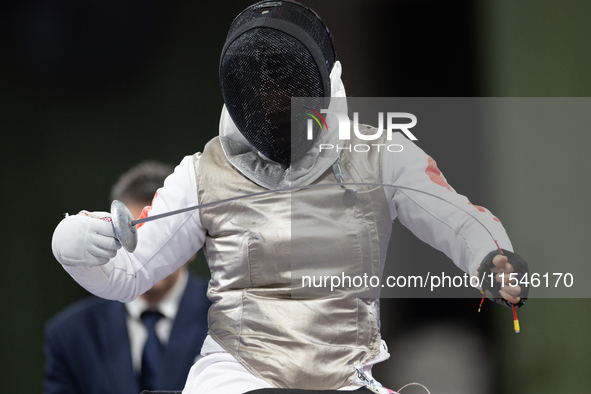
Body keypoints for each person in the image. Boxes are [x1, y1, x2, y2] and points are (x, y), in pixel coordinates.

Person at [51, 2, 528, 393]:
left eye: (285, 88)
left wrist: (493, 256)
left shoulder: (378, 156)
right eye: (259, 91)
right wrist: (76, 246)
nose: (273, 102)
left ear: (324, 82)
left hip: (343, 378)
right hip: (238, 377)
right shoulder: (204, 174)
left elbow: (455, 217)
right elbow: (131, 273)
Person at [44, 161, 211, 394]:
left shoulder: (230, 319)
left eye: (162, 238)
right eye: (130, 233)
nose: (146, 250)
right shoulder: (70, 335)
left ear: (192, 242)